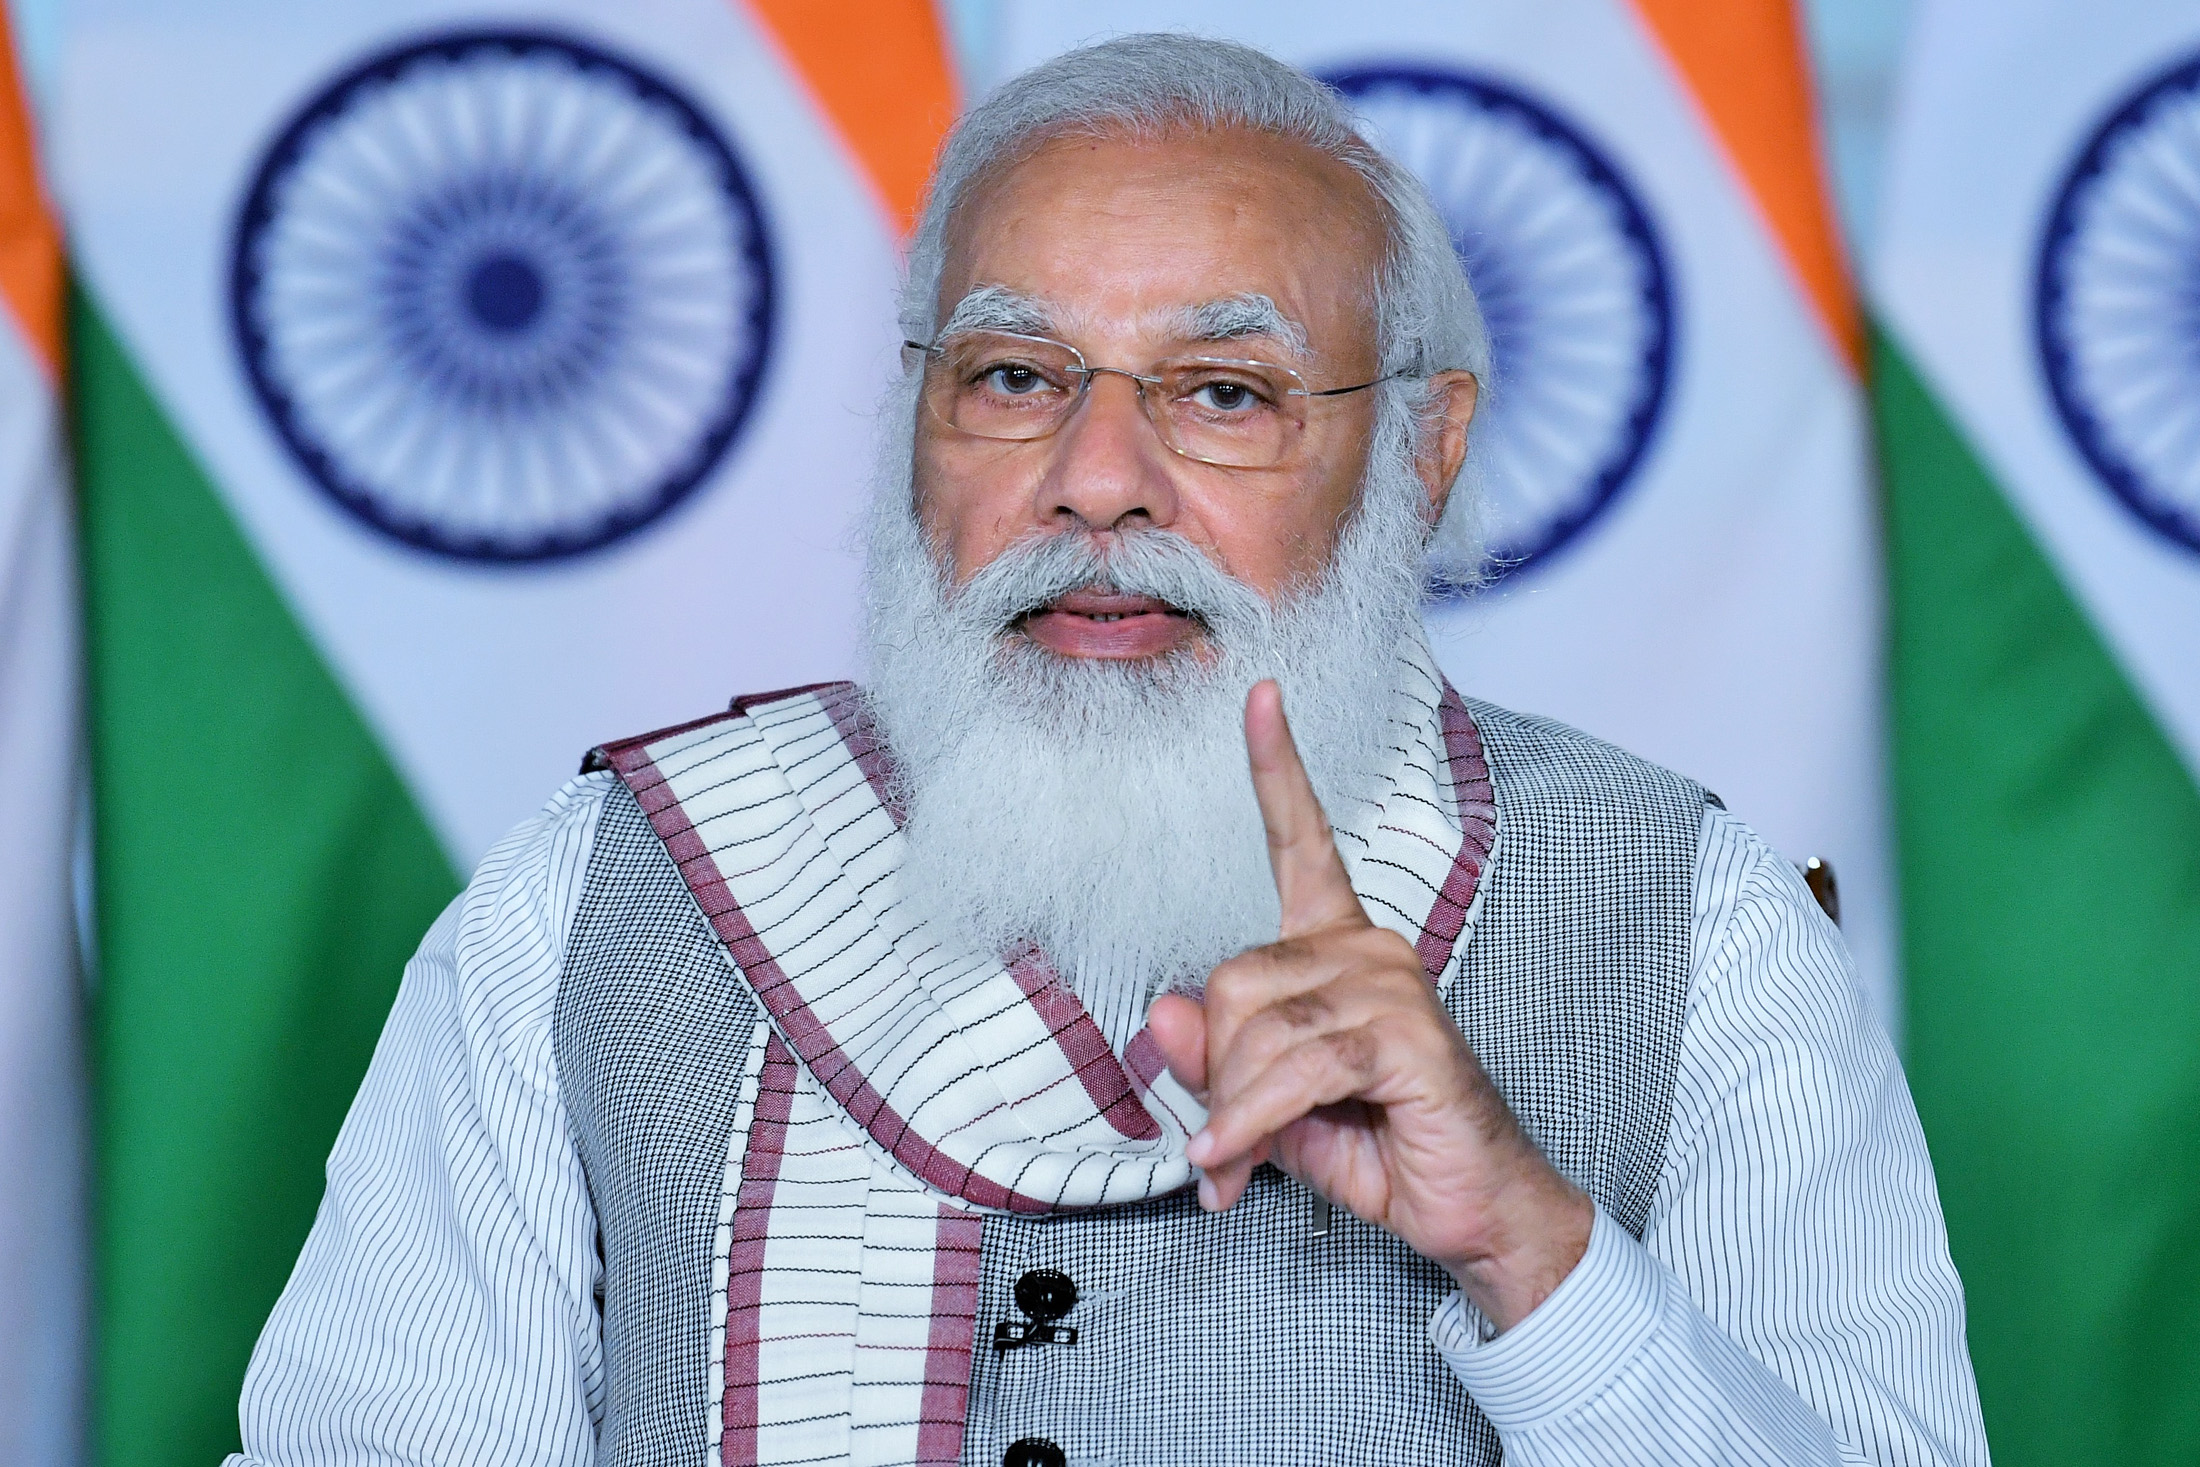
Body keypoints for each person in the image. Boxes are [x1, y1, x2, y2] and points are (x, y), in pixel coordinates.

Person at [227, 34, 1989, 1467]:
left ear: (1422, 452)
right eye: (1012, 376)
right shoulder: (594, 896)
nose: (1093, 479)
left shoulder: (1694, 921)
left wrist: (1538, 1251)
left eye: (1225, 393)